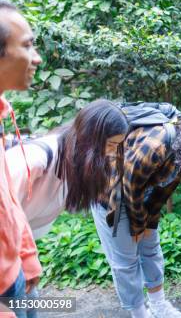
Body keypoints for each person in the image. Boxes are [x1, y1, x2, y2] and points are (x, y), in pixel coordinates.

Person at [92, 109, 181, 318]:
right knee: (126, 262)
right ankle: (139, 312)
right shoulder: (158, 144)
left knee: (151, 248)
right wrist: (137, 226)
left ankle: (159, 306)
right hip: (110, 196)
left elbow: (162, 192)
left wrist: (148, 225)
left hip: (138, 199)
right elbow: (129, 186)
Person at [6, 99, 129, 239]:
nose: (113, 153)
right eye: (111, 145)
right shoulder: (35, 160)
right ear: (90, 138)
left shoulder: (72, 165)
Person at [0, 0, 42, 318]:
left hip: (15, 275)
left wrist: (26, 255)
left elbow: (7, 201)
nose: (36, 58)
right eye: (28, 46)